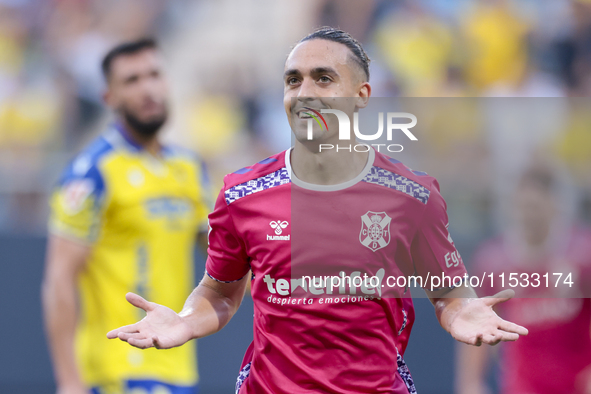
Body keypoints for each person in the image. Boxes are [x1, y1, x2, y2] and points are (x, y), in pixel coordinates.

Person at [107, 27, 528, 394]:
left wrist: (461, 314)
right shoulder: (243, 193)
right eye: (294, 80)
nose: (305, 93)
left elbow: (449, 296)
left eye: (323, 78)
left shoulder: (412, 197)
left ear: (362, 95)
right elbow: (219, 293)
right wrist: (184, 321)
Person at [43, 38, 211, 394]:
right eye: (132, 80)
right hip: (116, 369)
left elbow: (223, 258)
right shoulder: (92, 171)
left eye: (154, 75)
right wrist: (69, 381)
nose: (148, 88)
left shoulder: (189, 168)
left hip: (177, 364)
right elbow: (59, 280)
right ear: (109, 98)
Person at [456, 163, 591, 394]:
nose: (530, 215)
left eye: (536, 206)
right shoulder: (494, 262)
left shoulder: (582, 254)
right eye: (524, 207)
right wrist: (471, 383)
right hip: (522, 387)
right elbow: (478, 325)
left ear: (554, 206)